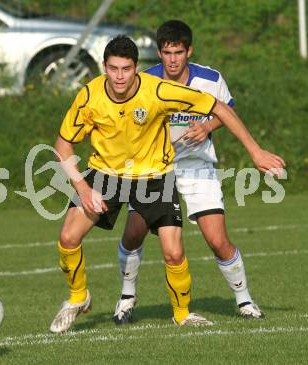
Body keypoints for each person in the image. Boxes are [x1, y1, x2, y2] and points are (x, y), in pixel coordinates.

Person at [49, 35, 284, 333]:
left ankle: (182, 314)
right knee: (69, 237)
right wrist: (82, 187)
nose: (119, 76)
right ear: (104, 67)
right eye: (113, 68)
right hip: (105, 173)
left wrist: (256, 151)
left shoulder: (158, 90)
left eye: (126, 69)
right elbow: (63, 143)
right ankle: (78, 298)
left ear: (137, 68)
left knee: (173, 252)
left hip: (153, 176)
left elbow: (219, 107)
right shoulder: (89, 95)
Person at [112, 20, 285, 324]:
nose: (173, 59)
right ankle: (126, 299)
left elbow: (226, 111)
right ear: (160, 53)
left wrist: (209, 127)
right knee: (134, 232)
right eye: (166, 52)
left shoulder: (210, 79)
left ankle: (245, 302)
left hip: (197, 166)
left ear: (189, 50)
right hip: (154, 169)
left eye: (178, 51)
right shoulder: (144, 82)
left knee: (218, 240)